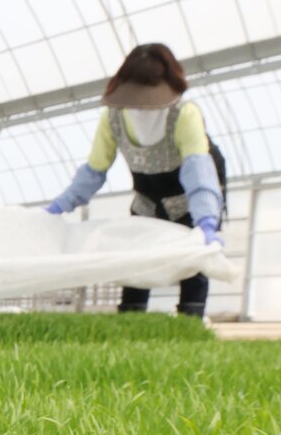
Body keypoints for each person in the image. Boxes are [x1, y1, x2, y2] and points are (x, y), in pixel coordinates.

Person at [45, 42, 224, 319]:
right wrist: (62, 204)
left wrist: (207, 219)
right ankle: (131, 317)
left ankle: (191, 321)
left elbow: (197, 170)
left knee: (194, 261)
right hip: (146, 198)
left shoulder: (184, 113)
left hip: (190, 198)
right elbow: (95, 168)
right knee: (137, 260)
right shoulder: (114, 116)